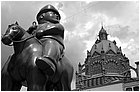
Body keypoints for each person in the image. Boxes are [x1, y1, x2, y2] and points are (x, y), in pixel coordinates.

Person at [27, 4, 65, 76]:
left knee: (50, 42)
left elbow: (58, 29)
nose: (57, 16)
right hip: (36, 43)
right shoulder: (35, 27)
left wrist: (44, 32)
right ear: (42, 16)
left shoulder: (56, 25)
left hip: (52, 41)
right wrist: (30, 30)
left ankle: (49, 60)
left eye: (57, 16)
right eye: (53, 14)